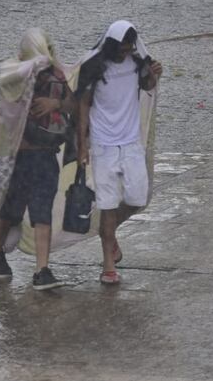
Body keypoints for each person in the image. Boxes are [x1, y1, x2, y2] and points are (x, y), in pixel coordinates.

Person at [76, 20, 162, 285]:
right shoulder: (93, 65)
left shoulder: (136, 62)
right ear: (112, 45)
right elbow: (83, 105)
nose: (125, 52)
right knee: (107, 203)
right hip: (103, 144)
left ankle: (110, 236)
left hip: (130, 141)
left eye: (129, 48)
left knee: (138, 197)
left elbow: (147, 86)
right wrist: (82, 145)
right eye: (122, 48)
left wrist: (155, 74)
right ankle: (108, 265)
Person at [0, 28, 75, 290]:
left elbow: (73, 103)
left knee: (42, 212)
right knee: (10, 210)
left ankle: (42, 270)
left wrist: (55, 104)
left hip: (45, 155)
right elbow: (7, 98)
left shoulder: (56, 77)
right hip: (19, 157)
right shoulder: (13, 75)